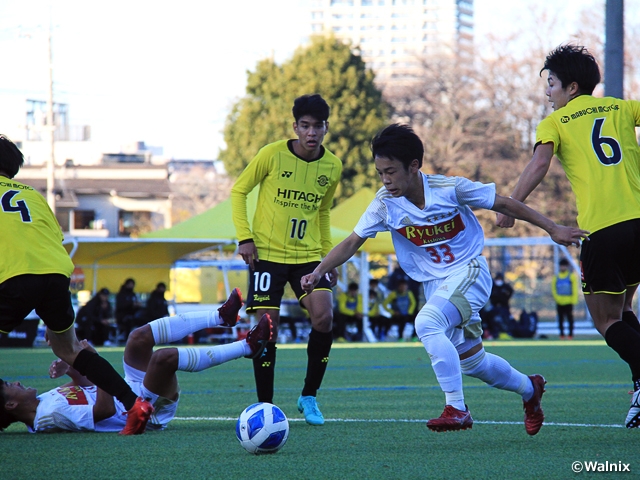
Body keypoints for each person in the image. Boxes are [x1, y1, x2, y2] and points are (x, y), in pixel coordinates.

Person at [301, 124, 588, 434]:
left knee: (426, 324)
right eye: (380, 172)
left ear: (414, 166)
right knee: (474, 363)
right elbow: (351, 242)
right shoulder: (384, 204)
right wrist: (318, 271)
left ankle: (457, 408)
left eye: (391, 171)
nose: (385, 180)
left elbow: (504, 203)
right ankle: (530, 389)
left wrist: (553, 228)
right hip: (436, 286)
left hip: (470, 273)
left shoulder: (449, 188)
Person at [495, 45, 640, 428]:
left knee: (606, 322)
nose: (548, 92)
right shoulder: (622, 107)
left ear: (572, 88)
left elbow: (539, 164)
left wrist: (509, 205)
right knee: (625, 311)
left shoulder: (555, 122)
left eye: (552, 83)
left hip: (602, 229)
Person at [0, 134, 153, 435]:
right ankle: (134, 404)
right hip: (56, 272)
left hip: (15, 275)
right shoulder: (31, 194)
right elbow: (53, 238)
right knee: (68, 348)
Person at [0, 289, 273, 433]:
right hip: (142, 412)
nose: (16, 381)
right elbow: (104, 410)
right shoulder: (46, 417)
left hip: (128, 391)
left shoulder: (44, 401)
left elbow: (88, 391)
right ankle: (247, 346)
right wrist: (93, 362)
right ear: (10, 404)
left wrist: (74, 367)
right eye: (9, 385)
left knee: (138, 337)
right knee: (162, 358)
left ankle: (220, 317)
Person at [230, 94, 342, 426]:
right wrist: (244, 237)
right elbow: (239, 191)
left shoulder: (332, 166)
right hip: (267, 255)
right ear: (295, 127)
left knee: (324, 318)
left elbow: (322, 212)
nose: (311, 132)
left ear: (325, 128)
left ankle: (309, 396)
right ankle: (265, 406)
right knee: (267, 330)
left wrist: (328, 257)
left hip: (308, 256)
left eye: (317, 126)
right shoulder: (272, 154)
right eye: (304, 126)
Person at [552, 259, 579, 339]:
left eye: (564, 266)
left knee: (570, 319)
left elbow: (574, 289)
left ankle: (570, 335)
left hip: (569, 301)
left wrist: (573, 300)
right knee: (560, 319)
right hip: (559, 302)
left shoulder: (571, 276)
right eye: (561, 266)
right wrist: (557, 298)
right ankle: (562, 335)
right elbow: (554, 289)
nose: (563, 268)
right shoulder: (556, 277)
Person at [487, 272, 514, 339]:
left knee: (506, 319)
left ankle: (507, 332)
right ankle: (494, 332)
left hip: (504, 306)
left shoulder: (505, 287)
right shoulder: (493, 287)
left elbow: (511, 291)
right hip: (494, 306)